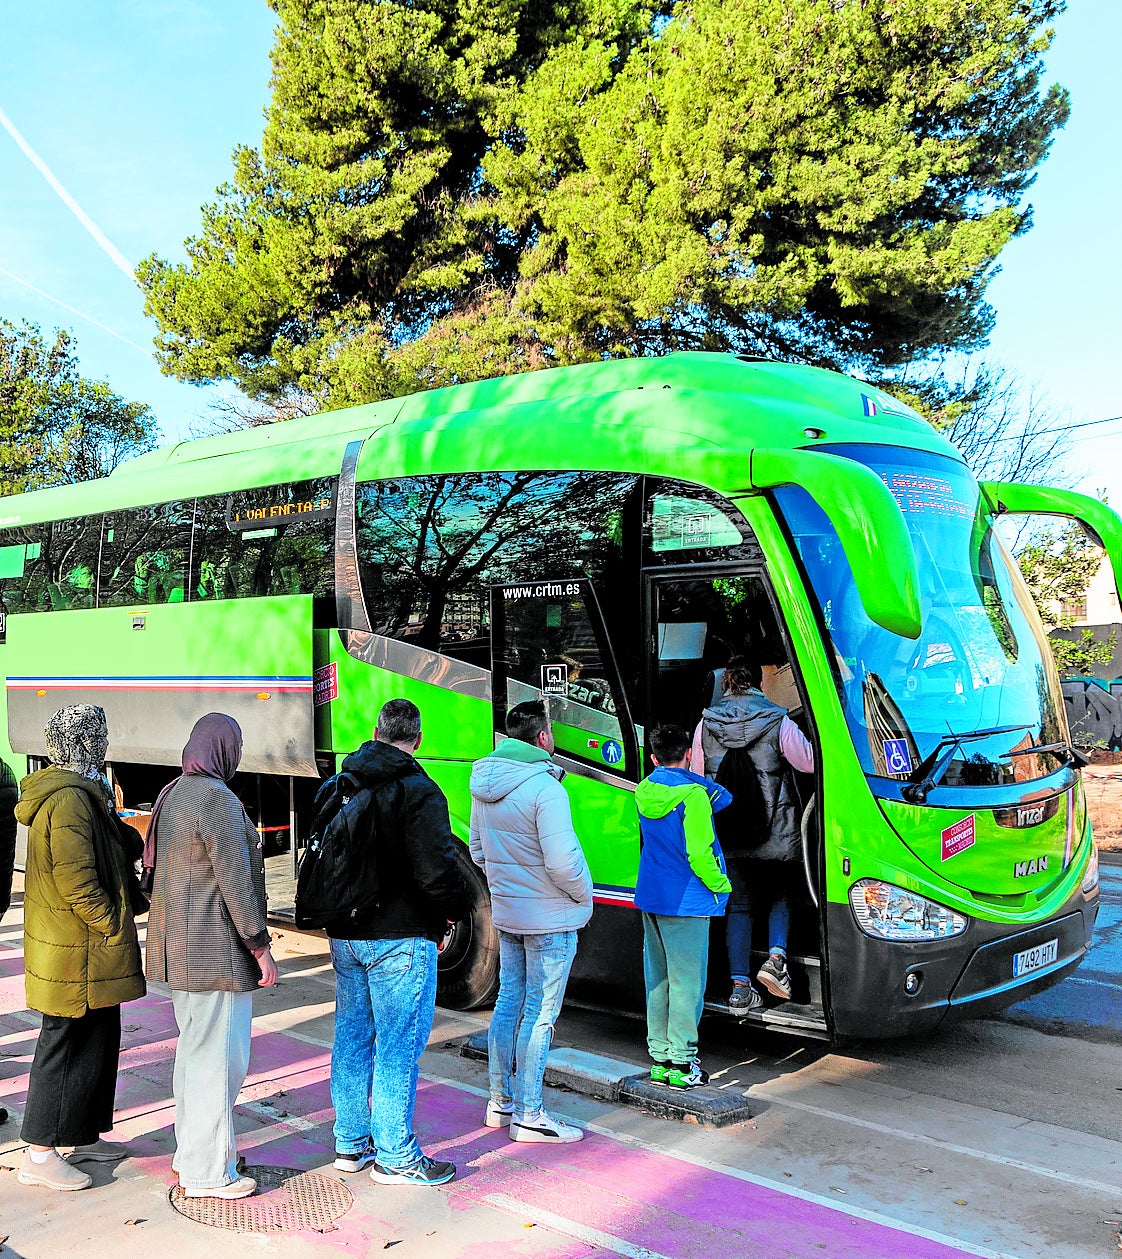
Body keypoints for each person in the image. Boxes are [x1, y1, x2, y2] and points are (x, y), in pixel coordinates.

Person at [324, 698, 469, 1186]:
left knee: (352, 1035)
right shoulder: (421, 791)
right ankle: (397, 1156)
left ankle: (351, 1144)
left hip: (346, 934)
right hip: (401, 937)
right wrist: (451, 911)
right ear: (418, 739)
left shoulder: (342, 781)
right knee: (398, 1045)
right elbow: (437, 870)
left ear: (376, 730)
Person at [145, 713, 278, 1200]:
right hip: (215, 956)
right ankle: (208, 1173)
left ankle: (193, 1155)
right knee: (219, 1063)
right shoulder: (219, 800)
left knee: (194, 1057)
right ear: (224, 749)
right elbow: (236, 886)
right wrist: (260, 948)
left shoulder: (172, 792)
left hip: (177, 952)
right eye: (236, 744)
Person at [16, 705, 145, 1192]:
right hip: (75, 949)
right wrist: (111, 924)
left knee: (96, 1038)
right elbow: (76, 879)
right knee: (63, 1041)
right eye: (98, 735)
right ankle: (40, 1152)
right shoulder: (68, 799)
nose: (104, 742)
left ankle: (80, 1134)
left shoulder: (84, 790)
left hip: (83, 948)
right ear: (85, 741)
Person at [469, 699, 593, 1143]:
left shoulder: (484, 784)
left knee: (508, 1004)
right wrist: (583, 892)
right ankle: (530, 1115)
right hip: (551, 917)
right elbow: (563, 863)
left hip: (509, 913)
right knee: (540, 1016)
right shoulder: (546, 788)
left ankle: (500, 1103)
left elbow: (478, 852)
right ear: (542, 738)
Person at [693, 657, 815, 1012]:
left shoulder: (705, 724)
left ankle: (739, 988)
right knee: (780, 894)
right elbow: (808, 762)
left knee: (740, 906)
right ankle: (776, 960)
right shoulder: (778, 720)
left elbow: (699, 777)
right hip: (776, 827)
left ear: (726, 683)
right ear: (760, 683)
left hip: (728, 828)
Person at [635, 724, 731, 1089]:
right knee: (688, 983)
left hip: (652, 895)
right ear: (689, 754)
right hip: (688, 899)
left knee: (657, 978)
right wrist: (722, 885)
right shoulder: (694, 795)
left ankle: (659, 1058)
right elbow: (700, 853)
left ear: (654, 758)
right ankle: (683, 1062)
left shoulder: (644, 789)